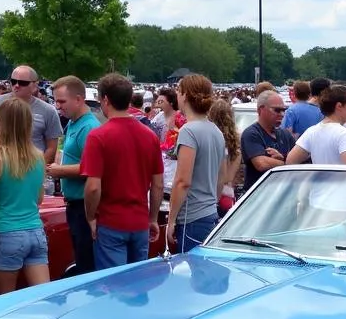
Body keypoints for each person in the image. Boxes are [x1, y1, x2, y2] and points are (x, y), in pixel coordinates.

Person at [81, 73, 163, 269]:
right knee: (138, 283)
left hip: (111, 221)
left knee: (113, 286)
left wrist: (91, 217)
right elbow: (158, 184)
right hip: (139, 220)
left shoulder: (98, 136)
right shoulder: (149, 136)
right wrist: (152, 218)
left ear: (105, 100)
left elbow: (93, 187)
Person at [0, 97, 49, 294]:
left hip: (6, 231)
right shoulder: (38, 156)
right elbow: (39, 199)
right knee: (42, 296)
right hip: (36, 231)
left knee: (6, 301)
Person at [167, 74, 227, 253]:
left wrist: (171, 220)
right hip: (209, 213)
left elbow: (182, 181)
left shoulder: (188, 131)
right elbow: (221, 178)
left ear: (185, 95)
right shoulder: (216, 130)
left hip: (191, 218)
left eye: (178, 91)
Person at [48, 75, 100, 274]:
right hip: (74, 204)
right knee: (80, 259)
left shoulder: (89, 127)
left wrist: (59, 170)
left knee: (87, 264)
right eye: (55, 101)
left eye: (62, 101)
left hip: (84, 206)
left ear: (79, 99)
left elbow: (94, 168)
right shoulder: (73, 123)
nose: (58, 106)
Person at [0, 65, 61, 163]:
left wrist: (39, 170)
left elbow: (52, 146)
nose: (17, 85)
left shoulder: (48, 110)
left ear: (35, 85)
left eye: (23, 83)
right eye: (13, 81)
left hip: (32, 168)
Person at [286, 85, 346, 167]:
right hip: (340, 180)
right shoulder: (345, 133)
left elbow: (290, 161)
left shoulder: (311, 131)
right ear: (339, 106)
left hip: (319, 179)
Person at [240, 91, 296, 191]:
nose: (282, 114)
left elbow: (301, 161)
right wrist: (287, 163)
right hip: (259, 196)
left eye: (284, 110)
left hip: (283, 194)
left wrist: (283, 158)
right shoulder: (251, 133)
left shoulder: (285, 135)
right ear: (261, 110)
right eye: (277, 110)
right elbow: (261, 164)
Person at [207, 98, 242, 217]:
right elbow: (229, 177)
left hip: (208, 194)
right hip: (227, 195)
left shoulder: (208, 140)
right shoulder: (235, 145)